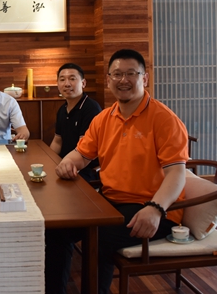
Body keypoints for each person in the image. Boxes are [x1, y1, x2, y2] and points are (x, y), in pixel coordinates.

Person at [45, 49, 189, 294]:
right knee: (56, 230)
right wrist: (68, 162)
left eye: (131, 73)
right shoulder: (104, 118)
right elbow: (81, 154)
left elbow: (177, 173)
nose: (123, 80)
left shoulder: (164, 119)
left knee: (98, 238)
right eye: (117, 74)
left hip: (150, 208)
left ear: (144, 78)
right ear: (108, 79)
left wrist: (155, 209)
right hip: (110, 203)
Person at [49, 63, 102, 182]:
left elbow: (85, 151)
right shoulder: (62, 109)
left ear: (83, 83)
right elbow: (57, 141)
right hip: (64, 165)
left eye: (72, 79)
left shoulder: (91, 109)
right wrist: (49, 162)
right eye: (62, 79)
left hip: (84, 169)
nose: (67, 84)